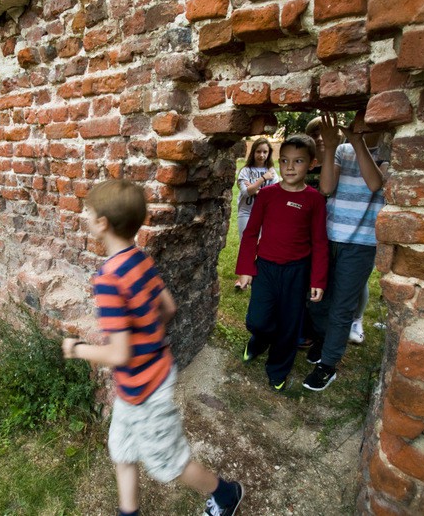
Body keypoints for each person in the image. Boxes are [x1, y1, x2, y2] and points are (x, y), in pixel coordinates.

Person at [62, 179, 244, 516]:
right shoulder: (139, 259)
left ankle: (226, 492)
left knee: (169, 464)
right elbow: (169, 307)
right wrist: (148, 339)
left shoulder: (109, 279)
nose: (85, 215)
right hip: (139, 384)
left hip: (146, 390)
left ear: (102, 223)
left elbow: (119, 354)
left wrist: (78, 350)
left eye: (88, 211)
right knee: (122, 450)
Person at [303, 111, 389, 391]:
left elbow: (375, 183)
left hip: (361, 243)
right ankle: (323, 342)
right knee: (317, 298)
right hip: (328, 238)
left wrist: (358, 143)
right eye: (357, 120)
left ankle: (328, 365)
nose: (360, 125)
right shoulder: (341, 150)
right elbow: (327, 187)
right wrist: (332, 146)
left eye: (368, 121)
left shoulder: (389, 151)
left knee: (342, 307)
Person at [235, 135, 329, 391]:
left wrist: (318, 279)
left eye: (298, 161)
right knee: (257, 320)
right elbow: (251, 232)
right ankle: (260, 339)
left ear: (311, 164)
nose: (289, 167)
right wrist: (245, 269)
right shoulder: (267, 195)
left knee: (289, 325)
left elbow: (320, 242)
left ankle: (278, 369)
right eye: (285, 160)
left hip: (297, 271)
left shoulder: (315, 200)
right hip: (265, 267)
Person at [234, 138, 279, 290]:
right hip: (246, 212)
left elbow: (274, 195)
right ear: (253, 152)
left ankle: (255, 274)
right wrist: (263, 179)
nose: (261, 155)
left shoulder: (273, 172)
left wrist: (256, 189)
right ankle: (242, 279)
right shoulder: (245, 171)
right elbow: (246, 192)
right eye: (258, 151)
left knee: (261, 244)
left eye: (265, 152)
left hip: (265, 214)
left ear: (269, 153)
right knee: (246, 243)